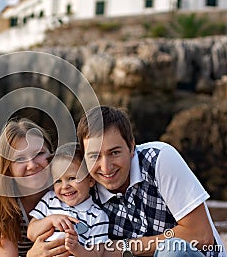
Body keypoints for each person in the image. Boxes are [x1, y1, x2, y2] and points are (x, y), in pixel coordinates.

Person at [77, 105, 227, 256]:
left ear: (131, 146)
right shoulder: (82, 188)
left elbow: (200, 235)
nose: (106, 167)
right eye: (94, 156)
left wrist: (123, 248)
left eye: (114, 152)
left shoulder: (159, 160)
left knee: (172, 250)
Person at [0, 118, 69, 257]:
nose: (32, 165)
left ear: (52, 156)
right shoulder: (0, 203)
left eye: (39, 154)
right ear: (8, 168)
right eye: (20, 159)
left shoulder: (67, 188)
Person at [27, 143, 110, 256]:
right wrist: (50, 220)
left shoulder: (98, 216)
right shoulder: (50, 200)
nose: (65, 186)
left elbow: (96, 254)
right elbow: (31, 233)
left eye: (71, 178)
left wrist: (76, 249)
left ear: (90, 180)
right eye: (58, 181)